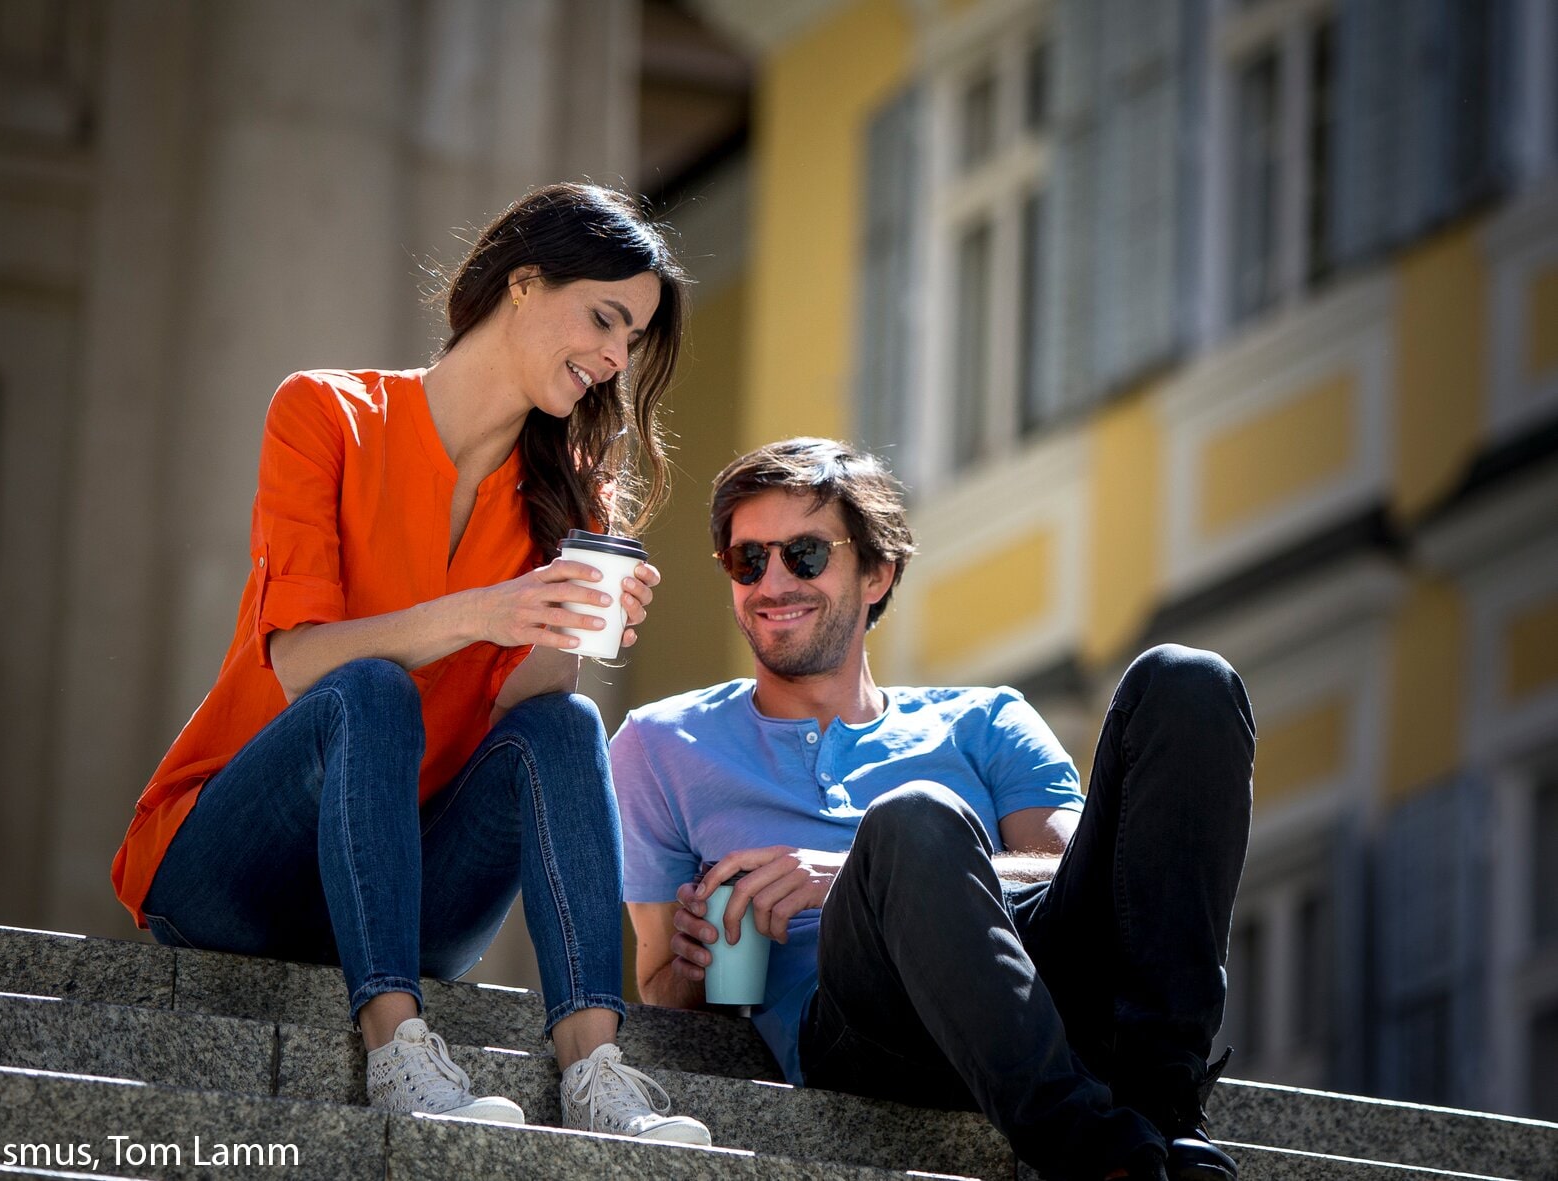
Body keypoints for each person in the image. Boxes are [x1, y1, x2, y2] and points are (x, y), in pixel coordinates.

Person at [111, 183, 709, 1145]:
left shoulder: (566, 500)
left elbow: (518, 720)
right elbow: (302, 660)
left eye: (631, 341)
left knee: (566, 723)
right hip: (229, 872)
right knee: (370, 689)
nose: (613, 359)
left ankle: (597, 1069)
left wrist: (564, 628)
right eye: (604, 318)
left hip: (409, 880)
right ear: (522, 281)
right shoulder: (324, 413)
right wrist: (490, 608)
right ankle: (395, 1048)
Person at [612, 438, 1254, 1180]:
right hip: (864, 1029)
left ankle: (1165, 1112)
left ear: (877, 572)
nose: (773, 581)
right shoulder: (658, 744)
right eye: (747, 560)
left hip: (1039, 979)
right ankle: (1096, 1154)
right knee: (914, 814)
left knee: (1186, 680)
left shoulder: (988, 720)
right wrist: (703, 957)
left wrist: (857, 870)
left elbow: (1090, 875)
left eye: (806, 554)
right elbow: (664, 987)